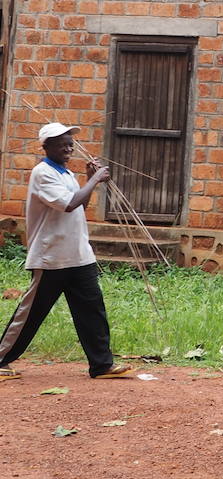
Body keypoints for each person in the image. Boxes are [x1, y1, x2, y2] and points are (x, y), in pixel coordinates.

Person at [0, 123, 133, 382]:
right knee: (31, 312)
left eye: (70, 143)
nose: (68, 147)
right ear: (46, 147)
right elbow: (69, 205)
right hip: (52, 257)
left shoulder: (67, 174)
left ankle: (101, 364)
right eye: (62, 143)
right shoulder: (42, 173)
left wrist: (87, 179)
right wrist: (95, 179)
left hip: (79, 255)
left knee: (92, 309)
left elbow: (80, 202)